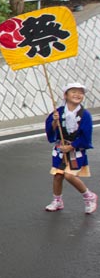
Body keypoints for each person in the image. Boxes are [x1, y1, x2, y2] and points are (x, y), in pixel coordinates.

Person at [44, 83, 96, 213]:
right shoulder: (58, 112)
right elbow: (51, 130)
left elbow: (86, 136)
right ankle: (57, 200)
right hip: (60, 148)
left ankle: (89, 196)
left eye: (80, 93)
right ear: (65, 95)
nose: (77, 95)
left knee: (69, 175)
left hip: (75, 150)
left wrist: (72, 146)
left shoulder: (85, 115)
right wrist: (55, 122)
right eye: (74, 92)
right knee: (58, 175)